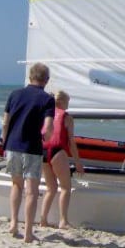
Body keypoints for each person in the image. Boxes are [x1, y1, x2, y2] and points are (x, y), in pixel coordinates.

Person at [2, 62, 55, 243]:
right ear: (46, 80)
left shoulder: (15, 94)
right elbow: (48, 127)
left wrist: (4, 141)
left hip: (12, 146)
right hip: (32, 148)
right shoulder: (47, 99)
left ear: (30, 77)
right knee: (31, 191)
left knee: (16, 185)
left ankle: (14, 223)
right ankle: (28, 232)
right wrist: (46, 139)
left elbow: (5, 122)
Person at [39, 90, 84, 229]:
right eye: (67, 102)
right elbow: (71, 142)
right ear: (62, 102)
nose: (68, 106)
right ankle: (63, 221)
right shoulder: (67, 117)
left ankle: (43, 220)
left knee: (51, 188)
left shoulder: (46, 114)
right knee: (65, 187)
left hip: (44, 152)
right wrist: (77, 163)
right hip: (57, 151)